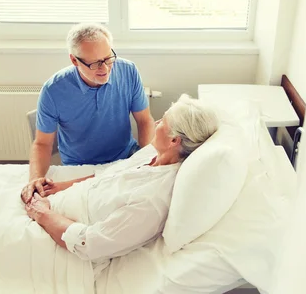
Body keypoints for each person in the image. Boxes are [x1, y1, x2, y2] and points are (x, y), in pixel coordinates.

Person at [24, 94, 219, 269]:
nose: (157, 122)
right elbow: (109, 174)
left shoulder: (152, 200)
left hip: (59, 232)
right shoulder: (152, 154)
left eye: (162, 122)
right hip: (60, 202)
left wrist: (43, 214)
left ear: (174, 141)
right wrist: (61, 186)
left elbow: (89, 243)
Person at [21, 23, 155, 203]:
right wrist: (35, 178)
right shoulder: (53, 90)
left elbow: (145, 121)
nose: (105, 69)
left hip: (125, 157)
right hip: (80, 166)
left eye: (108, 58)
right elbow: (43, 143)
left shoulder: (128, 71)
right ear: (74, 60)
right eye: (94, 63)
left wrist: (145, 157)